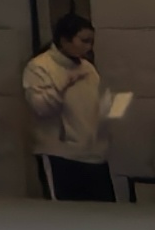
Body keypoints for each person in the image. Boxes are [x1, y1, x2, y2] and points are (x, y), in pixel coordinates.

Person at [26, 13, 114, 201]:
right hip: (60, 154)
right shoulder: (39, 66)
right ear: (64, 40)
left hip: (93, 154)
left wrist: (109, 109)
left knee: (105, 212)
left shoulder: (88, 68)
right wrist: (64, 84)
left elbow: (96, 103)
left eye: (91, 42)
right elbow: (41, 107)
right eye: (84, 41)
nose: (88, 47)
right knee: (67, 213)